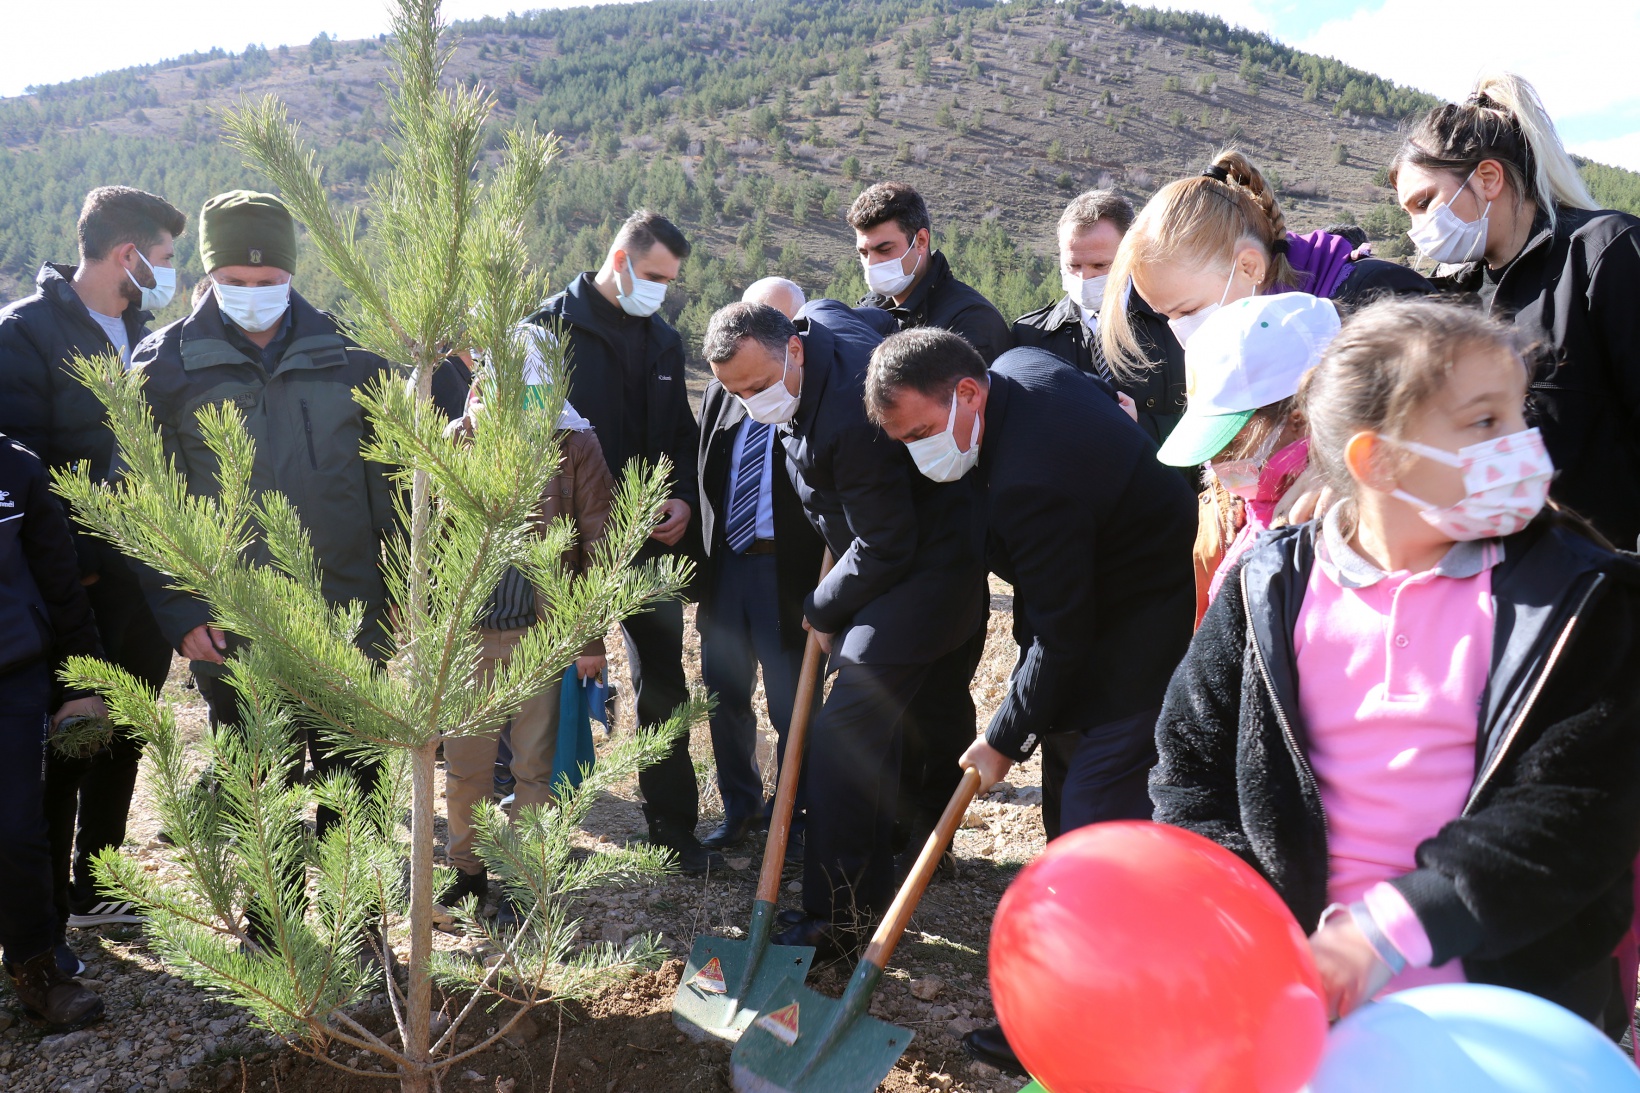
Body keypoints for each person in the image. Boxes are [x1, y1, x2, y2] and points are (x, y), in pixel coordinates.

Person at [1152, 297, 1640, 1031]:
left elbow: (1580, 807)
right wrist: (1251, 925)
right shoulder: (1270, 592)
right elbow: (1189, 770)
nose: (1522, 444)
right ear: (1377, 460)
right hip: (1308, 1016)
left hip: (1510, 1022)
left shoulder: (1579, 599)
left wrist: (1393, 925)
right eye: (1484, 422)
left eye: (1518, 415)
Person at [129, 191, 397, 939]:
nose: (254, 293)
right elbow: (148, 500)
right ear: (211, 274)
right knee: (260, 779)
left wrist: (404, 593)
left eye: (269, 276)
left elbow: (390, 485)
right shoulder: (165, 366)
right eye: (237, 281)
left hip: (349, 613)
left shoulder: (351, 355)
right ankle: (276, 931)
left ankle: (358, 920)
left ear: (292, 271)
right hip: (234, 621)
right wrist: (179, 610)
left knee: (358, 775)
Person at [700, 302, 986, 958]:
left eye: (757, 385)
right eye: (735, 393)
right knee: (869, 736)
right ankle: (869, 885)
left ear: (793, 349)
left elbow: (886, 541)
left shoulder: (845, 419)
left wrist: (823, 606)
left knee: (840, 737)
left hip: (923, 573)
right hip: (888, 558)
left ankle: (837, 917)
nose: (750, 403)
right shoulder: (818, 322)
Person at [0, 187, 186, 936]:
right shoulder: (25, 335)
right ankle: (39, 908)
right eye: (165, 259)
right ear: (126, 254)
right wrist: (70, 568)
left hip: (142, 574)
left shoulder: (145, 334)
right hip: (71, 581)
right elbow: (19, 470)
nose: (168, 274)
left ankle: (97, 881)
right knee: (70, 737)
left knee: (131, 723)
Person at [521, 210, 715, 871]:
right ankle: (539, 836)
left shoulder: (661, 338)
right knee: (545, 686)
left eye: (671, 280)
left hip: (644, 543)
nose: (661, 288)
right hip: (563, 543)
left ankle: (673, 827)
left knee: (662, 680)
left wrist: (682, 497)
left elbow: (680, 437)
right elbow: (528, 444)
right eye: (654, 274)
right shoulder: (547, 329)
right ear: (619, 258)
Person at [1391, 72, 1640, 550]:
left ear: (1487, 178)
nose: (1418, 230)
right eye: (1408, 214)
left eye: (1425, 203)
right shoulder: (1453, 304)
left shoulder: (1605, 253)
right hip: (1505, 591)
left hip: (1611, 583)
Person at [439, 359, 613, 913]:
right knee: (466, 766)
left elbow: (599, 545)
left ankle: (520, 877)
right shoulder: (459, 439)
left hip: (542, 636)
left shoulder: (575, 446)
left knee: (534, 767)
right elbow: (428, 536)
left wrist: (588, 640)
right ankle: (467, 871)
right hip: (467, 637)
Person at [1099, 149, 1431, 376]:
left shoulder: (1382, 302)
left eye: (1187, 311)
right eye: (1167, 316)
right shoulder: (1248, 348)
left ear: (1250, 267)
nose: (1183, 332)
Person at [692, 292, 827, 850]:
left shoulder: (807, 393)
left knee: (790, 703)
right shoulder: (725, 395)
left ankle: (796, 816)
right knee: (723, 696)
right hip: (728, 569)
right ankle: (739, 808)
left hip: (788, 574)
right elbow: (705, 467)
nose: (749, 394)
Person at [0, 435, 108, 1030]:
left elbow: (60, 582)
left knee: (17, 833)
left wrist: (81, 681)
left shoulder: (15, 468)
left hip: (13, 677)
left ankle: (37, 971)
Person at [1156, 294, 1339, 622]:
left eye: (1233, 443)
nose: (1217, 462)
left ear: (1300, 419)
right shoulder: (1232, 509)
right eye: (1212, 447)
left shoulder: (1333, 523)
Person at [1011, 189, 1186, 445]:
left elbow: (1211, 422)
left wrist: (1142, 424)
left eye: (1100, 265)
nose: (1085, 278)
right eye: (1073, 265)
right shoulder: (1031, 335)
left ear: (1130, 254)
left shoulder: (1175, 323)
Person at [849, 182, 1012, 364]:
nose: (871, 263)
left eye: (885, 249)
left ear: (921, 241)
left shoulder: (971, 321)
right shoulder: (866, 313)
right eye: (864, 253)